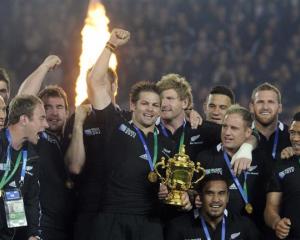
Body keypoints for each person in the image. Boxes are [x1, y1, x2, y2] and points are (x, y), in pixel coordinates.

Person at [18, 58, 74, 240]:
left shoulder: (74, 140)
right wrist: (44, 67)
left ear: (67, 111)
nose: (54, 113)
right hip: (39, 227)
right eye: (47, 107)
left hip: (69, 227)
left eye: (59, 107)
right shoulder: (36, 138)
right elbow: (21, 102)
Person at [196, 105, 272, 232]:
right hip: (216, 232)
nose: (227, 133)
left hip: (256, 228)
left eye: (234, 128)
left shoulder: (261, 158)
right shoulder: (204, 157)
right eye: (224, 126)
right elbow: (194, 192)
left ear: (248, 132)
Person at [0, 94, 48, 240]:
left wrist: (33, 234)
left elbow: (31, 200)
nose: (46, 124)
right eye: (41, 118)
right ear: (24, 120)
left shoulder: (32, 156)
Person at [165, 174, 260, 240]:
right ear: (201, 197)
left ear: (227, 197)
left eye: (221, 193)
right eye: (209, 193)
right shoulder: (178, 227)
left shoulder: (245, 225)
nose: (216, 199)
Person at [264, 112, 300, 239]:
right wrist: (276, 223)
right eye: (292, 132)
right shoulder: (282, 164)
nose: (295, 138)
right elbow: (270, 209)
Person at [249, 82, 291, 162]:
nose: (265, 107)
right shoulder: (240, 135)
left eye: (271, 102)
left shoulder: (291, 136)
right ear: (251, 107)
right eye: (260, 102)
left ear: (279, 108)